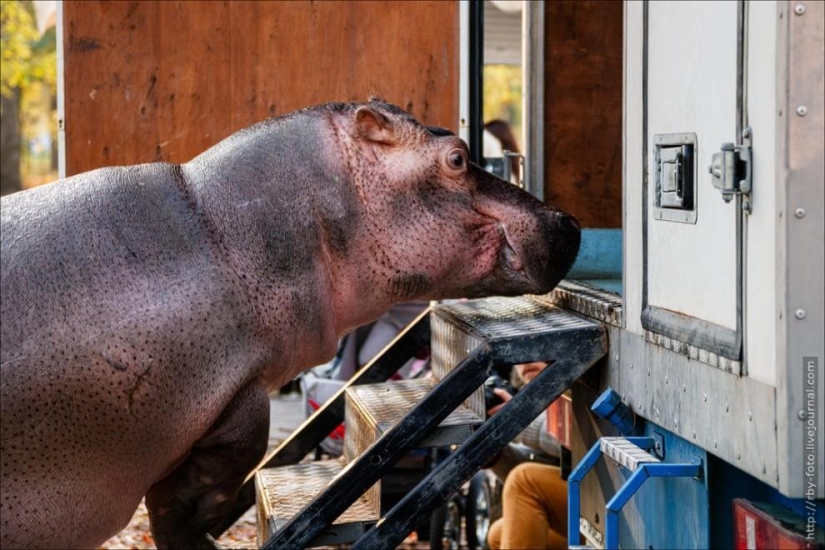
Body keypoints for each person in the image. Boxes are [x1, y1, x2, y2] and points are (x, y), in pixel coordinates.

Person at [486, 361, 570, 550]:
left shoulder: (578, 382)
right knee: (498, 534)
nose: (526, 359)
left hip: (619, 506)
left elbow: (577, 442)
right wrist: (495, 453)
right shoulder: (539, 394)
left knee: (524, 480)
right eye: (517, 355)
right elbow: (546, 464)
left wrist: (517, 420)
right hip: (585, 500)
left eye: (537, 347)